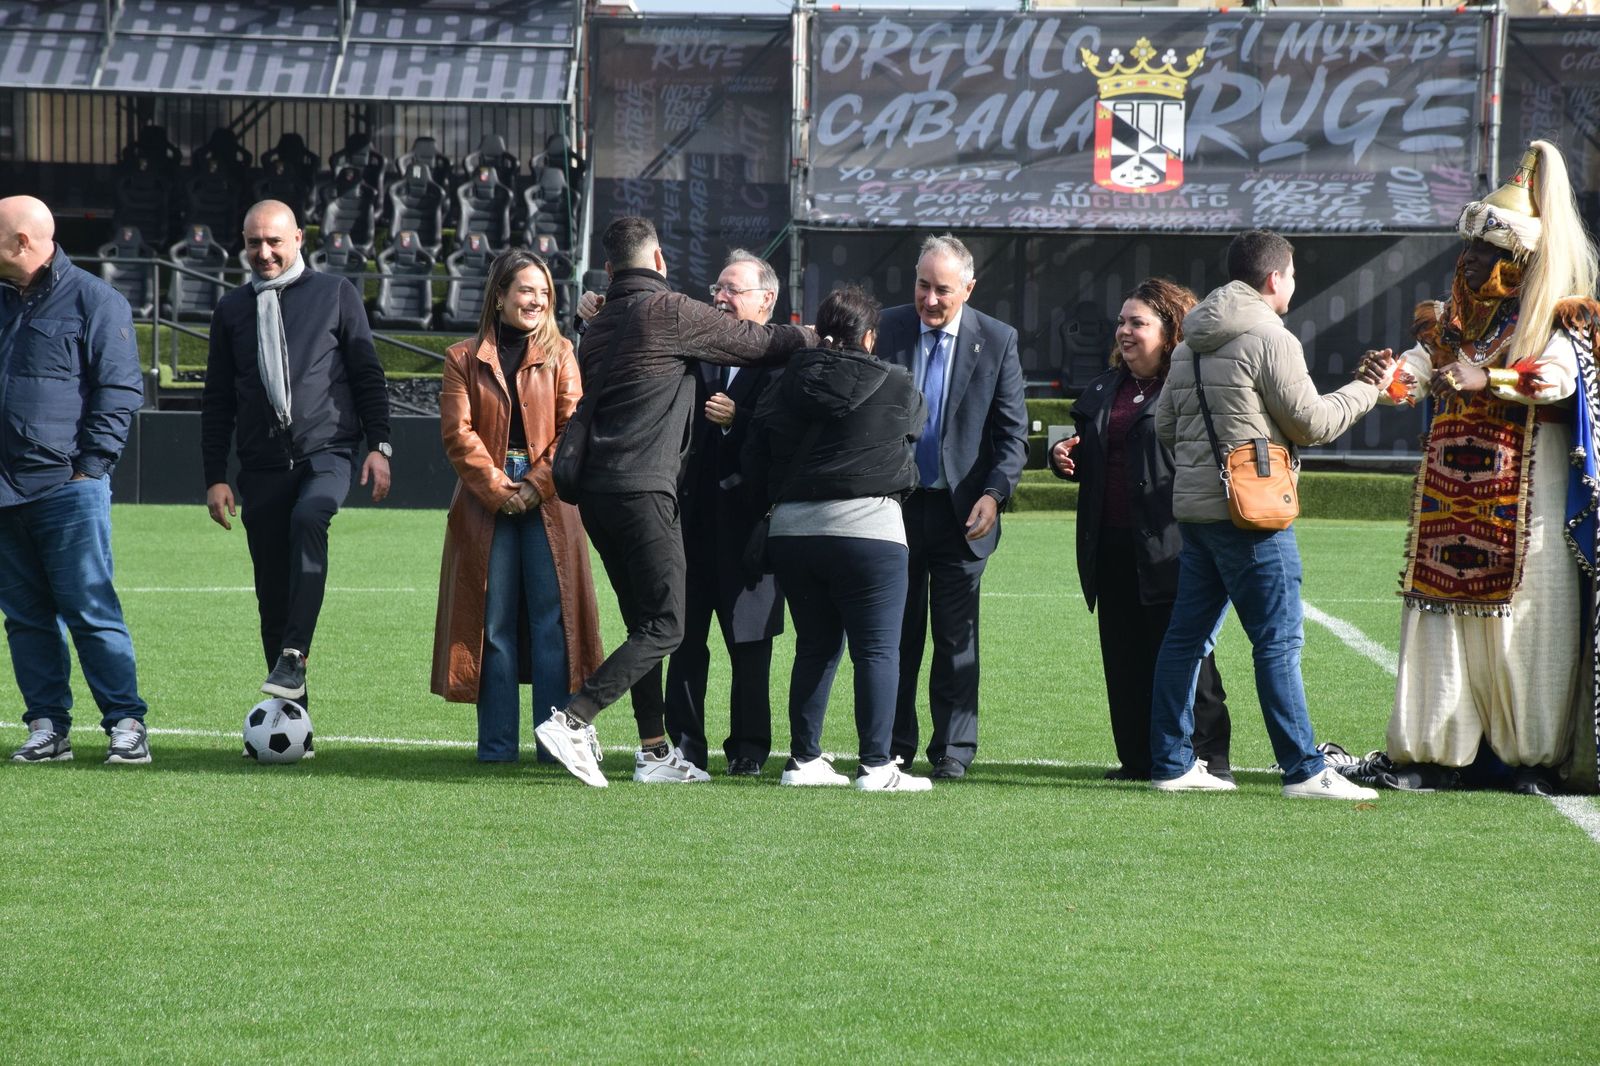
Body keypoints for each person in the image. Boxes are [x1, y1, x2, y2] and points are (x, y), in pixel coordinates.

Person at [533, 216, 814, 788]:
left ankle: (655, 751)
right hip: (644, 490)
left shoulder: (600, 321)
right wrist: (814, 335)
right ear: (660, 261)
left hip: (594, 496)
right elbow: (759, 343)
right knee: (667, 627)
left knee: (643, 621)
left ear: (610, 271)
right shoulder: (672, 312)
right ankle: (574, 718)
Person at [1359, 140, 1600, 796]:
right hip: (1446, 518)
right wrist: (1390, 379)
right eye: (1472, 253)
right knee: (1438, 628)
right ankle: (1432, 754)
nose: (1472, 264)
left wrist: (1487, 378)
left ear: (1519, 260)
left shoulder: (1559, 320)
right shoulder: (1455, 325)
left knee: (1526, 630)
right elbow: (1416, 369)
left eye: (1489, 256)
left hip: (1526, 516)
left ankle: (1531, 758)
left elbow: (1555, 381)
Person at [1149, 229, 1382, 800]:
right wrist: (1367, 389)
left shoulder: (1188, 342)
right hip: (1253, 514)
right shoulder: (1270, 337)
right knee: (1277, 641)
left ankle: (1173, 763)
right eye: (1293, 276)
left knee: (1186, 639)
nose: (1294, 285)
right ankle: (1303, 768)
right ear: (1275, 278)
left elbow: (1165, 428)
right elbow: (1313, 424)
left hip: (1198, 512)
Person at [585, 250, 788, 775]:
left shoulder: (784, 360)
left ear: (767, 300)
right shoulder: (695, 347)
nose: (719, 297)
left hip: (749, 532)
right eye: (717, 287)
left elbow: (788, 439)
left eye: (733, 289)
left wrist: (738, 420)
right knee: (683, 642)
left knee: (750, 649)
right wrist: (598, 311)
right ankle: (685, 747)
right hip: (683, 525)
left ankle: (747, 752)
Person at [201, 199, 392, 718]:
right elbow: (217, 399)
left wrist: (380, 445)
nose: (263, 252)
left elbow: (367, 374)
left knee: (312, 516)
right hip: (260, 468)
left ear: (299, 239)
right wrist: (215, 477)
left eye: (274, 241)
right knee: (271, 593)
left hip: (326, 453)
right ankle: (294, 720)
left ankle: (293, 653)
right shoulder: (231, 309)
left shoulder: (336, 293)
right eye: (253, 242)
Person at [744, 286, 931, 791]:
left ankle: (804, 760)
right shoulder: (894, 380)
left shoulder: (783, 380)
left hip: (793, 533)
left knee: (814, 647)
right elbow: (915, 428)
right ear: (869, 336)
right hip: (870, 532)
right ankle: (875, 765)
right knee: (877, 651)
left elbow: (755, 455)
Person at [1050, 279, 1233, 781]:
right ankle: (1138, 759)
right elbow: (1103, 453)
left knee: (1188, 658)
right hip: (1110, 545)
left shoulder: (1192, 385)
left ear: (1171, 330)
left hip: (1174, 545)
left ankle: (1208, 760)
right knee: (1124, 656)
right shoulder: (1107, 386)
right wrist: (1063, 455)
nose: (1124, 331)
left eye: (1138, 323)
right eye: (1122, 322)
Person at [431, 249, 605, 762]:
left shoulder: (563, 353)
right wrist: (500, 489)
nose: (536, 300)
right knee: (494, 626)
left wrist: (534, 485)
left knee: (553, 624)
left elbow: (574, 428)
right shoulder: (461, 357)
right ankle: (497, 748)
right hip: (486, 501)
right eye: (525, 290)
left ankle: (555, 747)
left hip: (549, 499)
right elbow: (457, 435)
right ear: (500, 295)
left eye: (544, 292)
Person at [0, 195, 151, 765]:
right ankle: (47, 726)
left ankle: (126, 724)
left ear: (22, 242)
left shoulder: (95, 299)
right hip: (3, 489)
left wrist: (90, 469)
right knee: (25, 618)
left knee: (91, 608)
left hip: (67, 488)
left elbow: (119, 392)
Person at [879, 234, 1029, 779]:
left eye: (943, 289)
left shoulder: (998, 338)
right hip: (892, 508)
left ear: (968, 287)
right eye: (923, 285)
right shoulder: (886, 327)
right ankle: (891, 747)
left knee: (956, 637)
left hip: (963, 513)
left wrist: (995, 493)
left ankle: (953, 752)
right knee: (895, 635)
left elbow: (1013, 437)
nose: (931, 300)